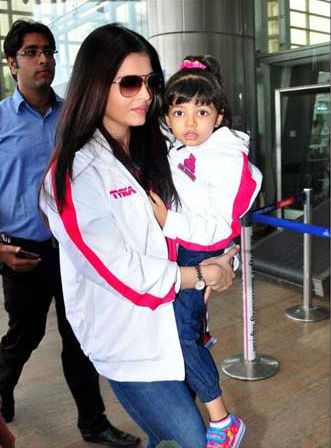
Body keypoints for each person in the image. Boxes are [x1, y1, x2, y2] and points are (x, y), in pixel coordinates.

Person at [40, 23, 239, 448]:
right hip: (129, 345)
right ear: (95, 85)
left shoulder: (159, 150)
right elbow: (117, 269)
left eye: (152, 82)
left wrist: (226, 259)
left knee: (162, 439)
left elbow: (211, 215)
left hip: (176, 330)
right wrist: (200, 276)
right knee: (191, 439)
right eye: (130, 83)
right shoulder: (74, 172)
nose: (146, 95)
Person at [0, 20, 140, 447]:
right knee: (25, 336)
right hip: (21, 251)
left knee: (79, 334)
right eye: (31, 52)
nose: (44, 59)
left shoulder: (75, 115)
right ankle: (2, 388)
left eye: (49, 51)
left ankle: (93, 423)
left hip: (75, 247)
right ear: (11, 63)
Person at [149, 55, 262, 448]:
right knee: (181, 335)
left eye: (202, 111)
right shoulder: (181, 151)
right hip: (186, 251)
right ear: (167, 117)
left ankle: (222, 420)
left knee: (182, 338)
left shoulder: (225, 155)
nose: (190, 122)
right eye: (180, 112)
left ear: (219, 116)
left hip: (197, 252)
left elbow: (218, 221)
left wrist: (166, 220)